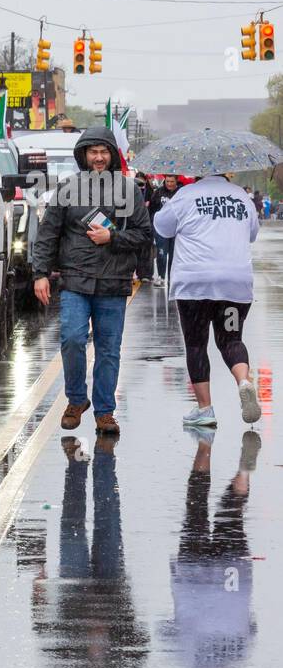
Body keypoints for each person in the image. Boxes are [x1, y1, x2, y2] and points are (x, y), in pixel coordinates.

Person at [31, 126, 152, 436]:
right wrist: (40, 273)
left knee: (109, 349)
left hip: (113, 281)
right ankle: (75, 399)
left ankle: (105, 411)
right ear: (83, 155)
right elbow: (48, 234)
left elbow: (144, 235)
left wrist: (112, 236)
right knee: (72, 339)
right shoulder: (67, 188)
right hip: (75, 280)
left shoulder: (129, 190)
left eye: (104, 152)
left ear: (112, 155)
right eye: (93, 152)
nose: (98, 157)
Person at [152, 173, 261, 427]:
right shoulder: (241, 197)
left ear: (198, 172)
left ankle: (205, 409)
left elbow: (162, 227)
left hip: (195, 283)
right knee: (232, 339)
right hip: (235, 282)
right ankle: (244, 381)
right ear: (227, 173)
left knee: (197, 344)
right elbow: (252, 233)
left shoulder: (185, 195)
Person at [147, 174, 180, 286]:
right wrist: (153, 225)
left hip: (176, 230)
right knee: (161, 253)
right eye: (167, 181)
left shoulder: (181, 193)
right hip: (161, 229)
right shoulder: (158, 192)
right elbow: (152, 210)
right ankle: (161, 277)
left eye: (172, 181)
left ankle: (172, 278)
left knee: (174, 255)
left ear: (177, 181)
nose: (170, 184)